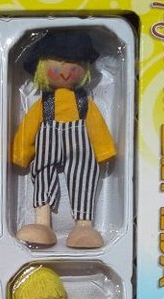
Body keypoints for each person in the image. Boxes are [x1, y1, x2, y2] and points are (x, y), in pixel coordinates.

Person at [12, 30, 115, 248]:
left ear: (84, 69)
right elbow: (29, 126)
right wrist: (21, 153)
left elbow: (96, 126)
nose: (66, 73)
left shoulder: (84, 103)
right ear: (42, 69)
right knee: (42, 171)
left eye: (74, 67)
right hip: (47, 141)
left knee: (84, 173)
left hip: (79, 144)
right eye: (57, 68)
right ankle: (42, 223)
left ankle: (84, 225)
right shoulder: (43, 104)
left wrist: (104, 151)